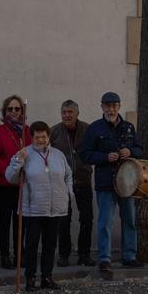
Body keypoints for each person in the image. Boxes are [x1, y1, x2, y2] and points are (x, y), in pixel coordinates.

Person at [81, 91, 144, 277]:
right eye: (107, 106)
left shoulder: (129, 127)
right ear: (102, 107)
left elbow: (140, 149)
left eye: (114, 105)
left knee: (130, 220)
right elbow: (85, 154)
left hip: (128, 182)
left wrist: (130, 151)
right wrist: (105, 157)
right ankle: (104, 259)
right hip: (106, 182)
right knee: (105, 223)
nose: (111, 109)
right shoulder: (94, 129)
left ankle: (129, 256)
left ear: (119, 106)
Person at [6, 121, 72, 291]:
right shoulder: (24, 154)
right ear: (32, 137)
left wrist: (68, 193)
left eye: (44, 136)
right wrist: (17, 163)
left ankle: (47, 277)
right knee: (31, 245)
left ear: (48, 136)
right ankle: (30, 278)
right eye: (37, 137)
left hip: (55, 208)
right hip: (32, 208)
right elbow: (10, 178)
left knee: (50, 245)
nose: (41, 140)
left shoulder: (58, 155)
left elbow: (68, 175)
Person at [49, 100, 95, 266]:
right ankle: (63, 255)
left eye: (70, 112)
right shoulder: (53, 132)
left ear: (77, 113)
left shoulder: (88, 130)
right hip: (62, 183)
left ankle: (84, 254)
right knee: (63, 220)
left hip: (83, 181)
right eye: (64, 112)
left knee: (87, 219)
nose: (67, 115)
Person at [0, 95, 31, 269]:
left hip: (23, 184)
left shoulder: (27, 131)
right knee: (5, 220)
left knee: (20, 220)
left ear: (22, 111)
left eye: (17, 109)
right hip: (5, 182)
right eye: (10, 109)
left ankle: (19, 255)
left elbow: (32, 153)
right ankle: (5, 255)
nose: (14, 112)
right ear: (4, 111)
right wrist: (10, 172)